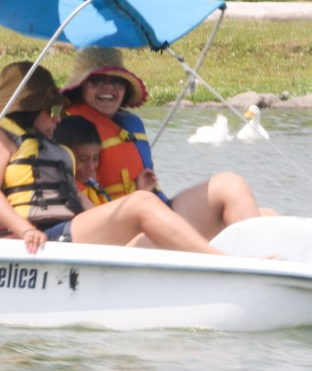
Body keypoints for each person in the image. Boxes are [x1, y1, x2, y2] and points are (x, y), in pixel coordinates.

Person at [0, 61, 226, 256]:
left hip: (64, 231)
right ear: (29, 109)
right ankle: (221, 262)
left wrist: (115, 218)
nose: (58, 117)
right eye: (51, 110)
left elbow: (78, 200)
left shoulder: (47, 147)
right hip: (36, 239)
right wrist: (25, 230)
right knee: (141, 203)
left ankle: (218, 261)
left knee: (149, 232)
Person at [61, 46, 264, 240]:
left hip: (154, 214)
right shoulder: (69, 132)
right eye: (96, 81)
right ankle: (251, 261)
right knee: (229, 187)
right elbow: (82, 201)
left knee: (263, 211)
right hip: (122, 230)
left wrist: (141, 192)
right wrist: (137, 202)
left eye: (117, 81)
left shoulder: (130, 125)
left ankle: (259, 261)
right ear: (80, 87)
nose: (108, 87)